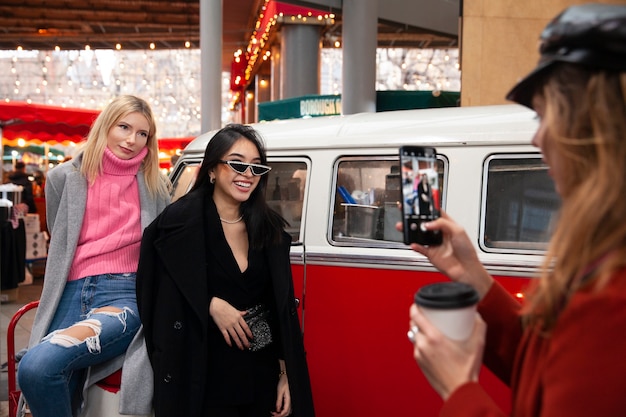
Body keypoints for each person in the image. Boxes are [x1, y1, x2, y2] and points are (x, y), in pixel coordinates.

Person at [404, 4, 626, 416]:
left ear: (596, 130)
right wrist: (474, 278)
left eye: (546, 116)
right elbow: (552, 362)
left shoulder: (611, 303)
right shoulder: (603, 257)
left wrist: (459, 390)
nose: (537, 139)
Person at [136, 124, 315, 417]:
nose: (247, 174)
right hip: (202, 376)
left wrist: (287, 373)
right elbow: (155, 295)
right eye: (237, 164)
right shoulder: (177, 224)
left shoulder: (268, 228)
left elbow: (280, 308)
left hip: (261, 375)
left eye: (256, 167)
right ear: (212, 170)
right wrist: (209, 303)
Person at [17, 95, 171, 417]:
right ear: (106, 126)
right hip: (70, 292)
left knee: (38, 365)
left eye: (142, 133)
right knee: (46, 377)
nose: (132, 140)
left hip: (124, 294)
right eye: (124, 127)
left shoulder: (157, 185)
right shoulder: (64, 178)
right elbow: (62, 241)